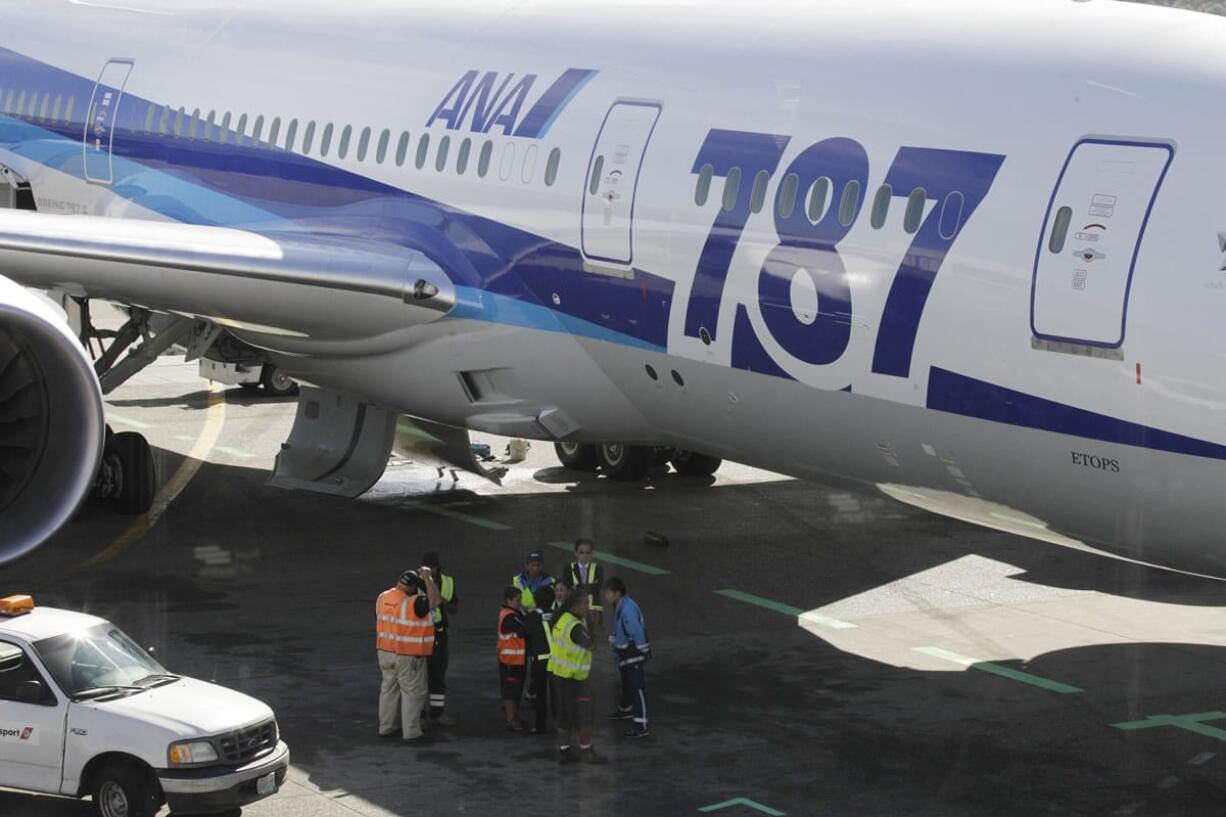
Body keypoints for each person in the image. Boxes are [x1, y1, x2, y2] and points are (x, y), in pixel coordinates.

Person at [376, 568, 441, 743]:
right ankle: (411, 732)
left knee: (388, 689)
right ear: (413, 588)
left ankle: (386, 727)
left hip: (384, 652)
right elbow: (435, 600)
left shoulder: (383, 597)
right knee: (413, 692)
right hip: (406, 654)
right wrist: (427, 578)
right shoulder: (413, 603)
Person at [548, 590, 602, 763]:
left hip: (559, 676)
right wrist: (594, 624)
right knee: (586, 717)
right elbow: (591, 645)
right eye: (585, 603)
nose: (588, 607)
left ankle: (564, 752)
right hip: (577, 679)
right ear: (575, 606)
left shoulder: (561, 619)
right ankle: (586, 751)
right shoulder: (575, 626)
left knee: (564, 717)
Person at [604, 577, 651, 738]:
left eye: (608, 593)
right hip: (627, 653)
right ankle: (626, 709)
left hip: (633, 653)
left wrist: (643, 650)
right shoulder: (622, 605)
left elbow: (636, 631)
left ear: (617, 593)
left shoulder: (626, 609)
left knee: (637, 687)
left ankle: (641, 725)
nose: (606, 596)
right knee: (628, 682)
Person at [420, 551, 458, 727]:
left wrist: (442, 601)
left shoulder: (448, 582)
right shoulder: (417, 581)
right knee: (419, 675)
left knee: (439, 673)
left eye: (431, 569)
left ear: (437, 567)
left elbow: (454, 609)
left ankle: (437, 713)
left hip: (440, 634)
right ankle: (420, 715)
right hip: (420, 634)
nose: (428, 572)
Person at [523, 585, 556, 735]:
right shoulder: (557, 614)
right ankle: (560, 723)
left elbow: (521, 632)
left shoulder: (531, 617)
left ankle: (540, 725)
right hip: (556, 661)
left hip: (540, 662)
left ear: (536, 600)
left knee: (540, 694)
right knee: (557, 692)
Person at [497, 586, 528, 731]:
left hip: (514, 658)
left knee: (514, 689)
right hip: (511, 659)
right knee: (511, 691)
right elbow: (524, 629)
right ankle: (511, 719)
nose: (520, 602)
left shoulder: (511, 613)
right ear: (509, 600)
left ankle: (514, 716)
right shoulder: (510, 616)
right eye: (517, 600)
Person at [567, 538, 605, 630]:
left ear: (592, 554)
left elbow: (597, 588)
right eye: (581, 552)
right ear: (575, 553)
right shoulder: (568, 569)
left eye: (588, 553)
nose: (585, 556)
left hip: (593, 609)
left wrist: (577, 587)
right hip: (575, 609)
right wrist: (589, 586)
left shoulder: (598, 569)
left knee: (593, 636)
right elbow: (568, 588)